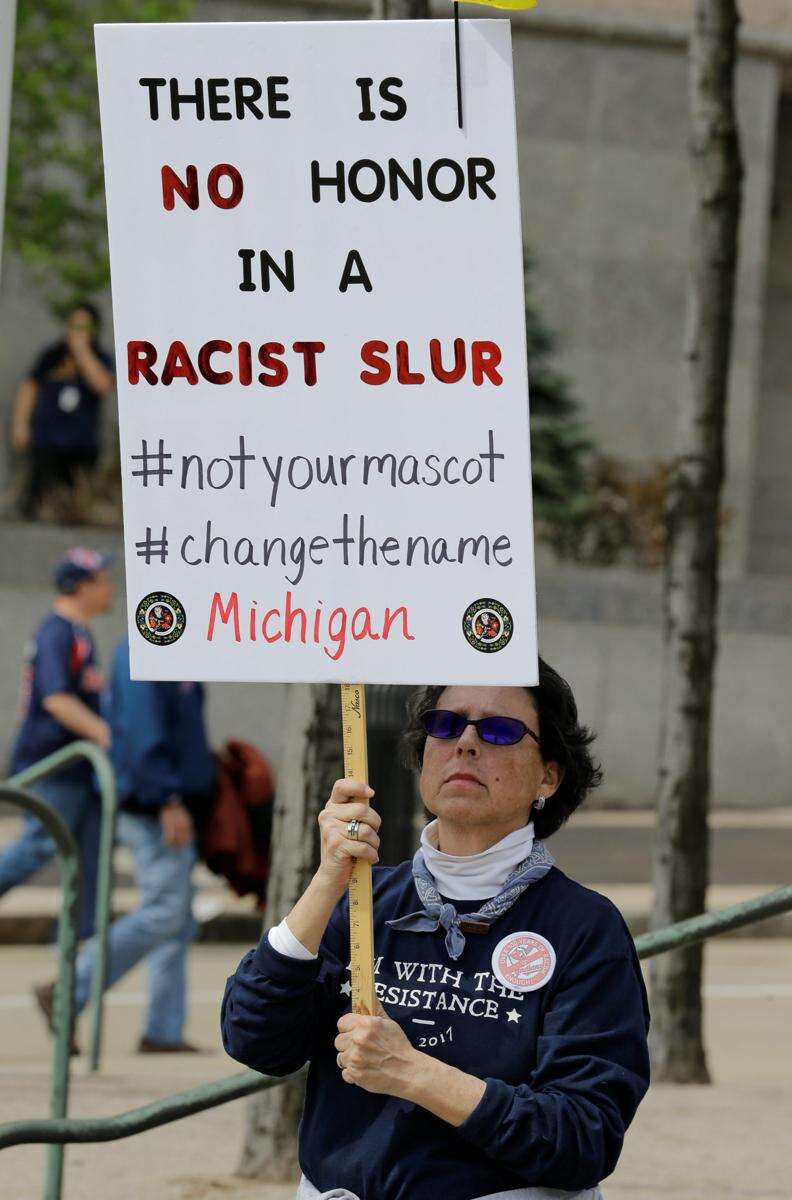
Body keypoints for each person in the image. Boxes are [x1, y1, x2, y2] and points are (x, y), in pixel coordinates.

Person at [222, 662, 650, 1200]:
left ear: (549, 775)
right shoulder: (361, 898)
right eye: (446, 725)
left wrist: (415, 1074)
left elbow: (582, 1137)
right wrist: (328, 878)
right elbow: (253, 1038)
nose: (466, 742)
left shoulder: (585, 927)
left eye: (499, 730)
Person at [58, 637, 216, 1052]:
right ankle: (67, 990)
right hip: (154, 804)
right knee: (165, 911)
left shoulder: (175, 644)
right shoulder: (148, 645)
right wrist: (166, 798)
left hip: (168, 800)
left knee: (176, 918)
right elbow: (143, 732)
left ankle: (163, 1029)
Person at [0, 548, 113, 941]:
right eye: (102, 580)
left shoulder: (78, 633)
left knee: (89, 866)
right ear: (80, 586)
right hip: (57, 765)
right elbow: (55, 698)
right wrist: (104, 734)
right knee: (40, 845)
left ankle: (74, 960)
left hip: (79, 770)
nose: (110, 588)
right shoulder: (57, 632)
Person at [11, 301, 115, 518]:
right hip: (47, 440)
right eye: (74, 326)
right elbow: (30, 387)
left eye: (84, 327)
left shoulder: (100, 358)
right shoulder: (51, 356)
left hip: (81, 443)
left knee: (75, 504)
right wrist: (20, 424)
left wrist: (82, 352)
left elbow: (103, 384)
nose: (78, 332)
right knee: (37, 500)